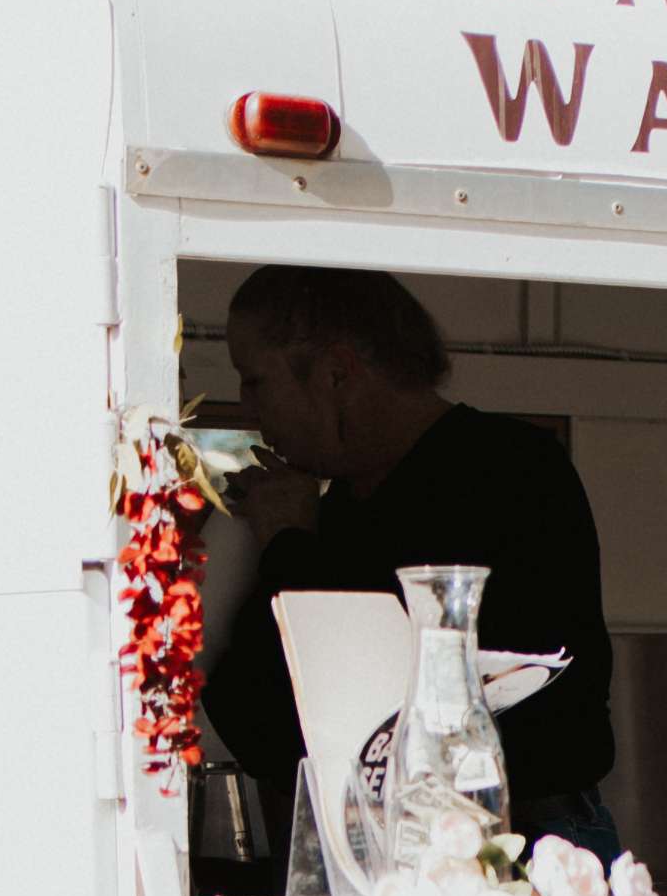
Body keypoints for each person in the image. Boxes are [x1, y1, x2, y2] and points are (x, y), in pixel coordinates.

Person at [198, 266, 621, 859]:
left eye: (256, 380)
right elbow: (265, 726)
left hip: (522, 843)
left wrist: (292, 548)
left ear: (337, 373)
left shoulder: (509, 474)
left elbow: (405, 697)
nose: (249, 409)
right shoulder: (339, 506)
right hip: (375, 845)